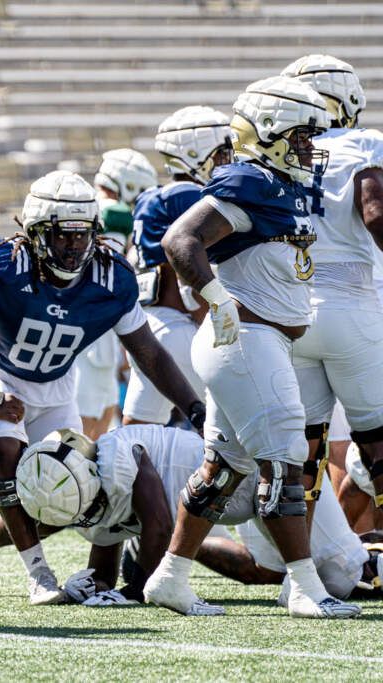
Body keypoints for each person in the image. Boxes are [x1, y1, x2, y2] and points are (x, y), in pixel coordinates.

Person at [0, 169, 203, 603]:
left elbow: (148, 352)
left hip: (55, 386)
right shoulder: (4, 265)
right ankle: (39, 574)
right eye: (61, 236)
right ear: (35, 233)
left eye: (82, 235)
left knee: (70, 493)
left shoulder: (111, 279)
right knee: (4, 457)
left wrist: (193, 407)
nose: (74, 247)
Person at [142, 76, 360, 619]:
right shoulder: (250, 179)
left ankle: (169, 577)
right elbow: (180, 241)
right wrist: (216, 299)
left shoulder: (283, 184)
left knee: (223, 470)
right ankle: (306, 587)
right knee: (285, 464)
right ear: (268, 132)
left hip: (262, 343)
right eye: (304, 136)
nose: (313, 147)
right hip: (247, 340)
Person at [0, 425, 381, 604]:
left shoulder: (117, 462)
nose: (81, 517)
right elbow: (103, 569)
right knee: (266, 572)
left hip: (254, 475)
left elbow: (159, 526)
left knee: (345, 573)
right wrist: (88, 588)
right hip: (231, 508)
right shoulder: (78, 491)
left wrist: (133, 592)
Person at [280, 55, 383, 523]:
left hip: (290, 311)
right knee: (376, 440)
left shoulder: (278, 153)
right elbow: (376, 213)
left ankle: (300, 565)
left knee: (302, 448)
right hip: (351, 305)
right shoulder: (362, 143)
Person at [123, 106, 233, 426]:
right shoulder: (191, 196)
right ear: (194, 153)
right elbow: (191, 269)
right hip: (183, 326)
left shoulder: (150, 197)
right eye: (221, 153)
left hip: (149, 326)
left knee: (137, 431)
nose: (227, 161)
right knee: (231, 430)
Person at [75, 150, 161, 438]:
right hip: (94, 323)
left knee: (99, 414)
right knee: (92, 420)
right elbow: (109, 272)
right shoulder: (113, 212)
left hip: (88, 320)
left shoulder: (87, 205)